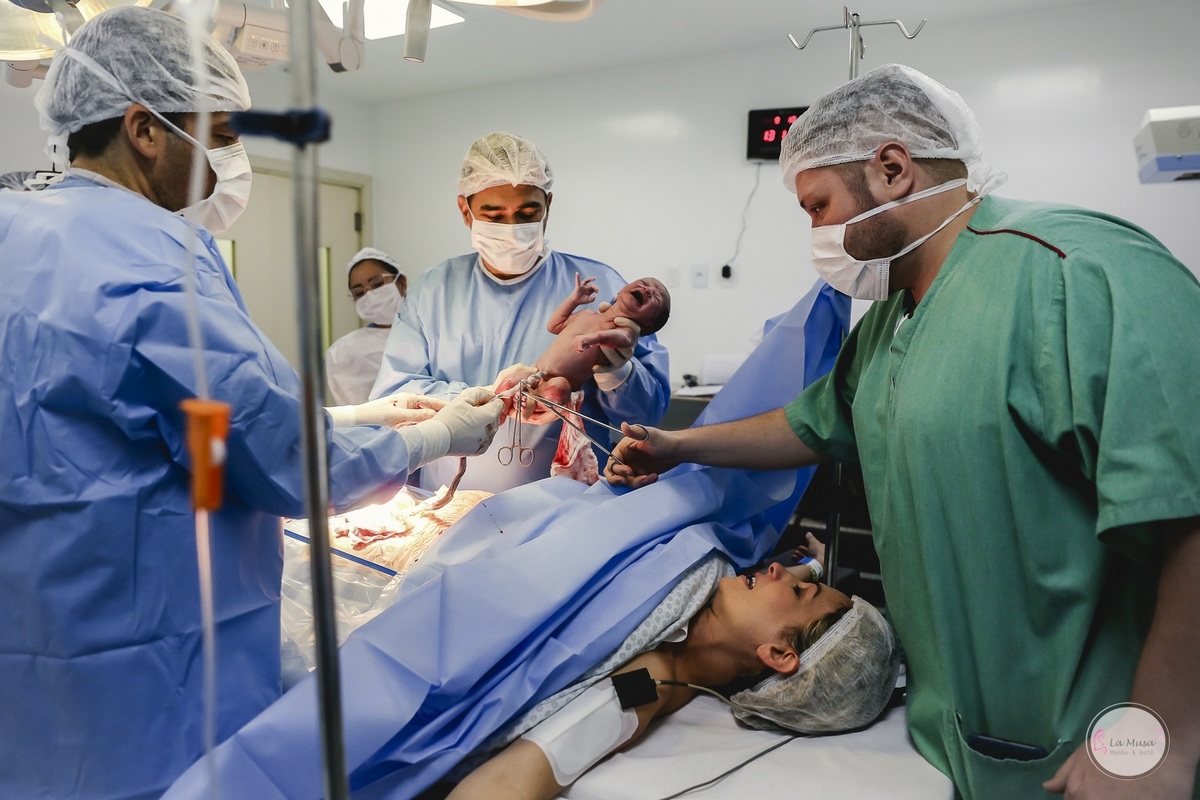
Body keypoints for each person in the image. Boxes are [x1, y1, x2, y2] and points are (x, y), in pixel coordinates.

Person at [607, 63, 1200, 800]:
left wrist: (1152, 743)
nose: (817, 234)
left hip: (1097, 742)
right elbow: (814, 424)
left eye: (817, 206)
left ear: (891, 169)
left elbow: (1188, 514)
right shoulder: (893, 318)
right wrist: (678, 446)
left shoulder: (1079, 273)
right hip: (960, 737)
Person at [0, 8, 504, 799]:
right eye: (222, 130)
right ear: (145, 129)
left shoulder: (15, 229)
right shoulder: (153, 257)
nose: (229, 157)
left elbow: (105, 419)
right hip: (142, 672)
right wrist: (432, 435)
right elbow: (289, 466)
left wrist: (345, 418)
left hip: (29, 655)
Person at [446, 537, 897, 800]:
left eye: (802, 592)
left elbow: (509, 781)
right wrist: (813, 567)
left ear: (778, 655)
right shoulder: (731, 584)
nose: (780, 569)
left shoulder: (648, 682)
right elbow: (787, 593)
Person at [371, 132, 671, 494]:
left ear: (548, 204)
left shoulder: (606, 287)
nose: (512, 229)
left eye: (528, 213)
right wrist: (494, 398)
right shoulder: (434, 290)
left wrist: (618, 376)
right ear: (465, 211)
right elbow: (396, 394)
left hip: (564, 504)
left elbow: (647, 416)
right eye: (494, 215)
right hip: (449, 501)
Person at [325, 246, 408, 406]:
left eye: (377, 284)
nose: (370, 295)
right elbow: (359, 416)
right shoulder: (345, 352)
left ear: (402, 282)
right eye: (359, 293)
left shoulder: (433, 330)